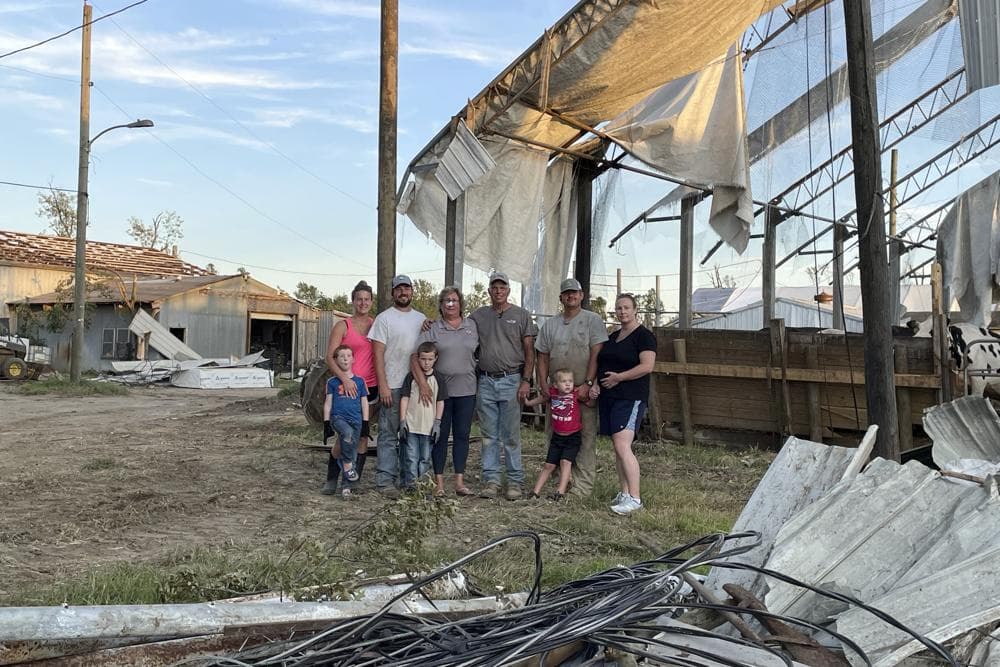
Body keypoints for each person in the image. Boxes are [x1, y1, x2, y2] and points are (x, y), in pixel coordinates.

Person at [535, 278, 608, 497]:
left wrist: (588, 383)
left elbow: (597, 353)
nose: (570, 296)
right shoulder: (550, 325)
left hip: (580, 390)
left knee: (584, 437)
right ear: (561, 297)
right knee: (555, 434)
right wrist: (543, 385)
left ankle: (582, 486)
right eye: (566, 293)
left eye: (574, 292)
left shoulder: (592, 320)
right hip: (557, 392)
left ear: (582, 295)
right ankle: (561, 483)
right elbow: (542, 357)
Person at [469, 272, 537, 501]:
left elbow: (530, 351)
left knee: (510, 434)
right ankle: (491, 480)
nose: (498, 291)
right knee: (489, 435)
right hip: (486, 380)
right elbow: (457, 326)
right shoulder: (478, 316)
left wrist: (525, 380)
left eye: (502, 287)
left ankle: (515, 481)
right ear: (489, 291)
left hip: (511, 380)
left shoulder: (520, 315)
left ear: (509, 290)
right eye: (494, 287)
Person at [589, 293, 657, 515]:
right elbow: (603, 363)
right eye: (619, 308)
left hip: (630, 396)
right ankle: (624, 493)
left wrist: (619, 377)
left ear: (635, 309)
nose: (622, 312)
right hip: (610, 397)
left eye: (626, 307)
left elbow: (647, 366)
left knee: (622, 445)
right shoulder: (614, 336)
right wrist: (597, 383)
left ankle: (636, 498)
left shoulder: (644, 336)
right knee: (617, 448)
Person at [412, 287, 479, 497]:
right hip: (440, 392)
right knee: (439, 435)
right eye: (446, 301)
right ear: (441, 305)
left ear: (461, 303)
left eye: (454, 300)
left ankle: (459, 481)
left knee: (462, 435)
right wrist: (423, 383)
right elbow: (416, 355)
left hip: (467, 389)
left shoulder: (472, 325)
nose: (451, 304)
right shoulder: (433, 328)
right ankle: (439, 483)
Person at [370, 274, 427, 497]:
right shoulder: (384, 319)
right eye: (399, 289)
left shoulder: (421, 319)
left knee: (411, 435)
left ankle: (408, 479)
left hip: (413, 387)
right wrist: (383, 385)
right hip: (392, 385)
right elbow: (377, 354)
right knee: (388, 435)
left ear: (413, 291)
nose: (403, 292)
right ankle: (385, 480)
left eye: (407, 288)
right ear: (393, 293)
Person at [321, 280, 377, 495]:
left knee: (362, 434)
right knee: (345, 435)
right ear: (353, 301)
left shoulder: (375, 325)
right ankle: (332, 478)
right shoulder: (343, 325)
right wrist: (344, 379)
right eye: (359, 299)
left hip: (367, 387)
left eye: (366, 299)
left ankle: (352, 481)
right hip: (346, 388)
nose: (363, 303)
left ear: (371, 302)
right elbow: (330, 356)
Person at [524, 369, 583, 501]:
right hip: (557, 436)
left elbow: (589, 396)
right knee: (548, 465)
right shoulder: (552, 393)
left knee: (565, 462)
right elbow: (541, 398)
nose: (568, 384)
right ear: (555, 385)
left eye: (570, 381)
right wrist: (528, 403)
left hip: (573, 436)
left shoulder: (576, 393)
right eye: (563, 382)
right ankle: (535, 491)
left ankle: (560, 492)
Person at [398, 342, 447, 492]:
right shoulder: (411, 377)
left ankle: (423, 485)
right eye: (423, 359)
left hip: (428, 426)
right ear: (418, 359)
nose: (426, 363)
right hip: (412, 425)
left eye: (430, 359)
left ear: (436, 359)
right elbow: (405, 398)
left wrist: (437, 422)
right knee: (411, 457)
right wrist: (402, 420)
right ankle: (411, 485)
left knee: (424, 458)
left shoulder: (438, 378)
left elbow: (440, 401)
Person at [322, 345, 370, 499]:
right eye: (341, 356)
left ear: (353, 359)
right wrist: (326, 422)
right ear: (335, 360)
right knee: (347, 434)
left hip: (356, 419)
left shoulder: (360, 381)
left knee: (350, 447)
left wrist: (366, 423)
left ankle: (346, 487)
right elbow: (328, 403)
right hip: (339, 418)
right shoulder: (332, 382)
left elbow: (364, 403)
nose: (345, 359)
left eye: (348, 355)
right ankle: (347, 463)